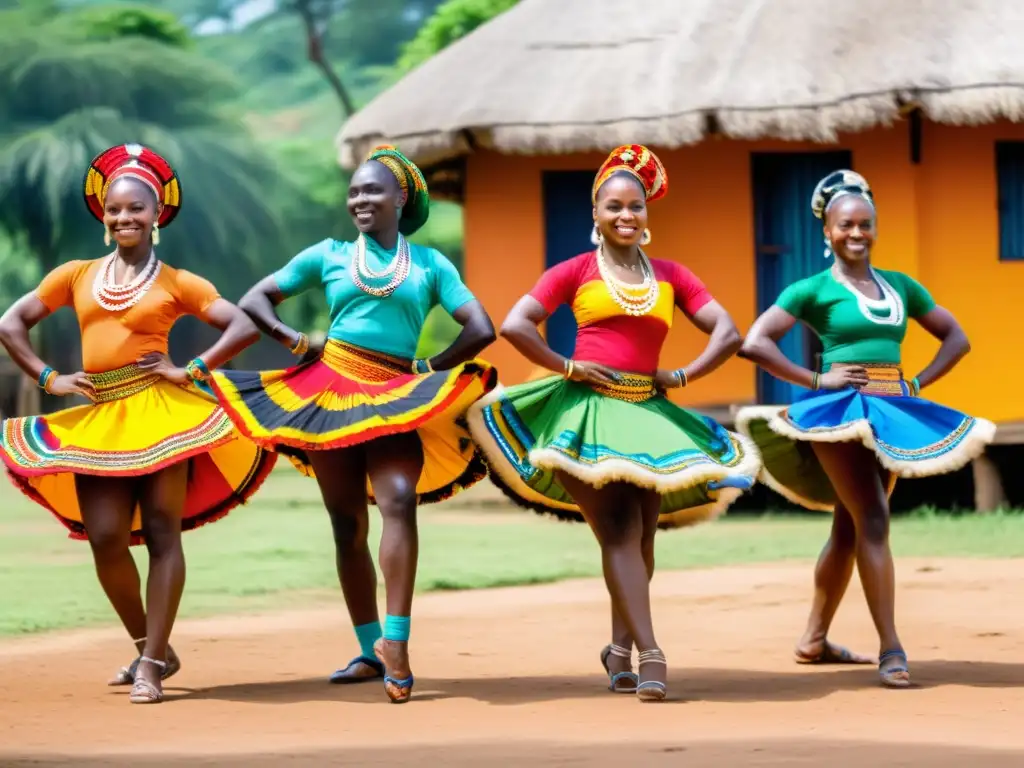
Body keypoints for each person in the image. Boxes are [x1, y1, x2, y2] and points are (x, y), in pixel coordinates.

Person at [466, 145, 761, 702]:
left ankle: (618, 652)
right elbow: (516, 324)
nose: (626, 215)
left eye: (636, 206)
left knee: (643, 536)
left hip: (649, 412)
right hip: (585, 414)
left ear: (647, 215)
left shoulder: (672, 276)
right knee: (622, 531)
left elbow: (728, 331)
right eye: (614, 206)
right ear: (596, 214)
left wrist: (683, 374)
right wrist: (570, 366)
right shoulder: (575, 271)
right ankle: (651, 654)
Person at [208, 145, 497, 704]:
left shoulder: (432, 265)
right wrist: (295, 341)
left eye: (373, 191)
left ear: (400, 199)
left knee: (397, 500)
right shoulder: (330, 253)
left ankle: (397, 642)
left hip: (394, 394)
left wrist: (428, 367)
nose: (360, 200)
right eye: (355, 192)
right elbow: (255, 298)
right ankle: (370, 651)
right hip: (330, 389)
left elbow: (481, 326)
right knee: (345, 523)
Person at [0, 144, 276, 704]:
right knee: (104, 538)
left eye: (136, 209)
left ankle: (151, 662)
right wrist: (51, 378)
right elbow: (11, 323)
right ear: (104, 220)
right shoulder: (75, 275)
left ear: (157, 216)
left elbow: (243, 324)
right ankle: (152, 644)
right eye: (114, 211)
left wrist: (191, 369)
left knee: (160, 533)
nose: (124, 217)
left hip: (159, 413)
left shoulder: (177, 280)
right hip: (100, 416)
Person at [734, 170, 995, 688]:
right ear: (827, 232)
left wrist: (916, 382)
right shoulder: (811, 289)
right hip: (839, 412)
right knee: (873, 517)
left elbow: (956, 338)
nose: (857, 233)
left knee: (850, 527)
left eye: (865, 224)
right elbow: (756, 341)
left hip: (890, 408)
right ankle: (892, 650)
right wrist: (815, 377)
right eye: (846, 225)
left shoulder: (900, 286)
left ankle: (814, 639)